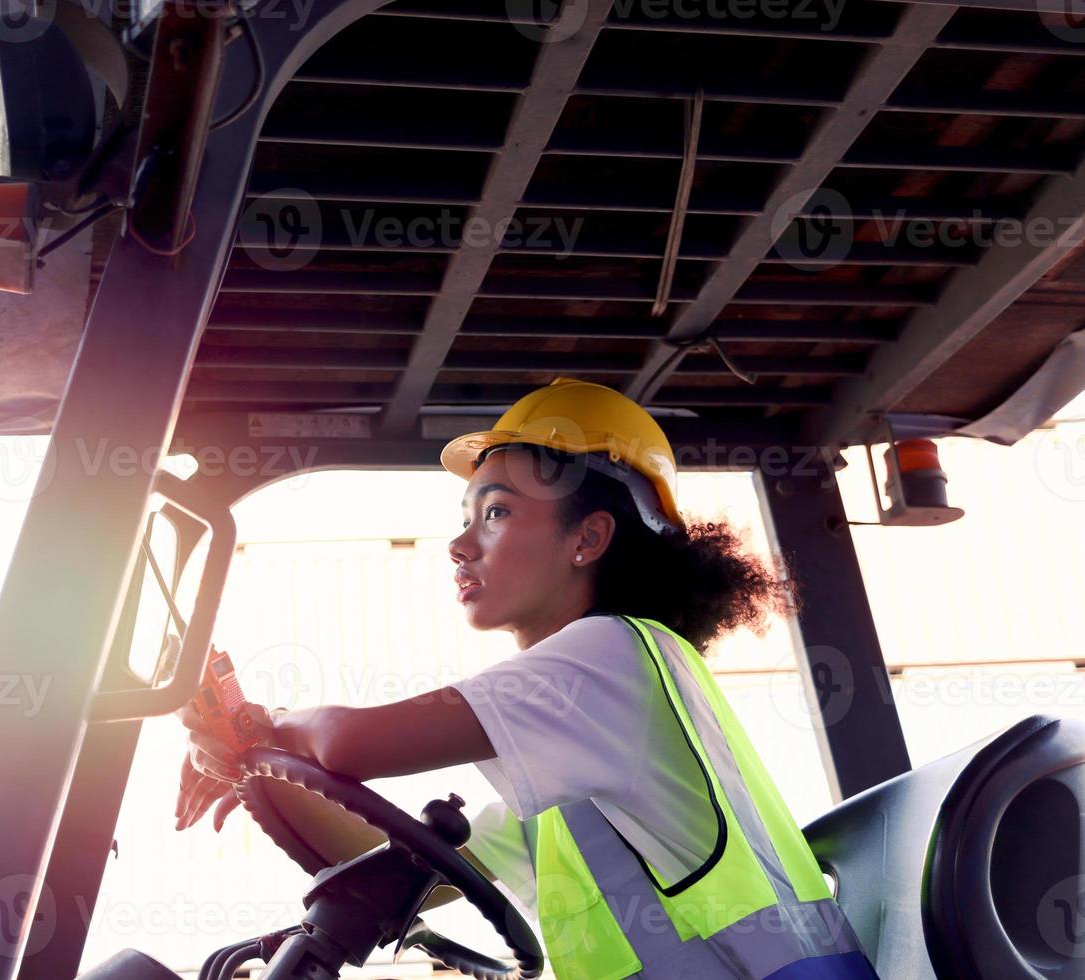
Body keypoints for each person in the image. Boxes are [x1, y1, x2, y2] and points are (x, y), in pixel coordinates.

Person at [175, 377, 881, 979]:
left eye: (497, 512)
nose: (458, 545)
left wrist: (263, 727)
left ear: (588, 539)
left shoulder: (611, 657)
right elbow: (399, 872)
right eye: (467, 517)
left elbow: (351, 744)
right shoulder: (568, 760)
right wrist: (247, 760)